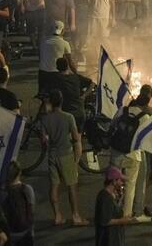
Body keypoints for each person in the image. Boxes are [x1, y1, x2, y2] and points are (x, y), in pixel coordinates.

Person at [40, 89, 87, 226]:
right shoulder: (68, 117)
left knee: (54, 185)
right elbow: (75, 138)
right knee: (71, 185)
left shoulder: (45, 119)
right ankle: (75, 216)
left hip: (52, 155)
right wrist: (77, 157)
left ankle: (57, 215)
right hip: (66, 154)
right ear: (61, 102)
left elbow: (44, 140)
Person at [109, 84, 152, 218]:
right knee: (130, 185)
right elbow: (147, 139)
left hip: (116, 151)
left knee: (112, 181)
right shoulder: (144, 117)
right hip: (133, 155)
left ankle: (110, 209)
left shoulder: (123, 110)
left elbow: (113, 125)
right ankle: (126, 214)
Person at [0, 161, 37, 245]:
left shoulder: (1, 194)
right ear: (19, 173)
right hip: (27, 232)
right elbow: (32, 210)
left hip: (11, 233)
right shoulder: (27, 189)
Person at [95, 167, 135, 246]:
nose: (122, 183)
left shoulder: (112, 194)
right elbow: (105, 221)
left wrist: (120, 199)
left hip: (114, 237)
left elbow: (113, 211)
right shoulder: (105, 198)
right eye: (120, 180)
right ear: (113, 181)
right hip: (108, 240)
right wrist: (123, 221)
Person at [38, 20, 76, 93]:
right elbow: (70, 62)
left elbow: (40, 57)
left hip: (42, 73)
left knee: (43, 96)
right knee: (57, 96)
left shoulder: (43, 41)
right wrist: (76, 75)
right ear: (62, 31)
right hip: (56, 74)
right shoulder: (65, 43)